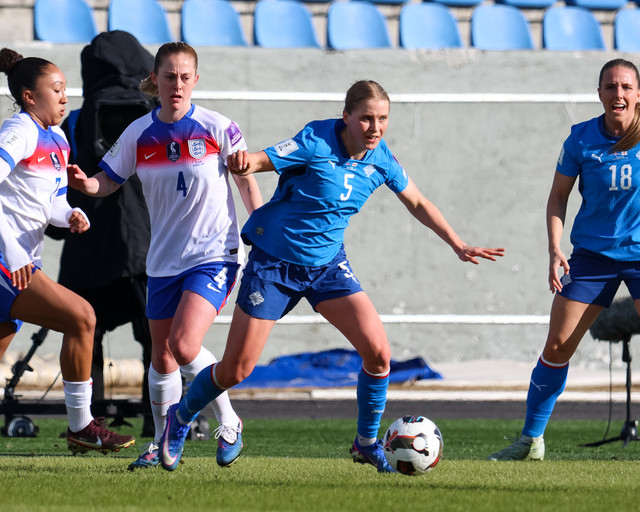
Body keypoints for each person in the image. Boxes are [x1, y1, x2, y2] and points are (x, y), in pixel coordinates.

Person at [157, 79, 505, 472]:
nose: (375, 128)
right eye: (367, 118)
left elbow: (418, 201)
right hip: (274, 265)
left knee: (378, 355)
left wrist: (458, 243)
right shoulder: (315, 140)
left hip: (327, 267)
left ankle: (366, 442)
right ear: (346, 117)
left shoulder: (381, 159)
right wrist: (244, 162)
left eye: (383, 119)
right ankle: (180, 417)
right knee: (236, 370)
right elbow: (262, 159)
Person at [67, 42, 263, 470]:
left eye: (184, 77)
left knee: (184, 344)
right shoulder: (138, 133)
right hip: (162, 261)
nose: (177, 85)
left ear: (196, 80)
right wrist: (86, 185)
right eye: (169, 76)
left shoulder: (219, 127)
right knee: (162, 358)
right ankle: (160, 443)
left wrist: (261, 231)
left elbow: (246, 181)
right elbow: (109, 180)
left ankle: (229, 421)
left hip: (215, 253)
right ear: (154, 80)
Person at [488, 58, 640, 461]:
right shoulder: (580, 139)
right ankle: (530, 441)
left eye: (626, 87)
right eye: (611, 86)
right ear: (599, 93)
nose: (618, 94)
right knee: (557, 346)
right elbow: (558, 197)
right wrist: (554, 248)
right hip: (592, 256)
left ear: (638, 95)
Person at [0, 48, 135, 454]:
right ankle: (81, 427)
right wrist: (14, 253)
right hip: (9, 261)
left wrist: (72, 214)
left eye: (65, 89)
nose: (64, 97)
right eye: (56, 90)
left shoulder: (57, 138)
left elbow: (52, 202)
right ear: (29, 97)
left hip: (20, 261)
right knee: (82, 317)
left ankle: (81, 428)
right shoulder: (19, 131)